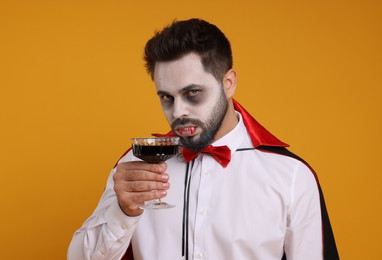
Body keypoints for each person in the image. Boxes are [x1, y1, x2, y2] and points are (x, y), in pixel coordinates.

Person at [68, 18, 339, 260]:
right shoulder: (134, 165)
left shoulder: (291, 176)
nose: (178, 112)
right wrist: (123, 211)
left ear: (228, 83)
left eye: (193, 93)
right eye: (166, 97)